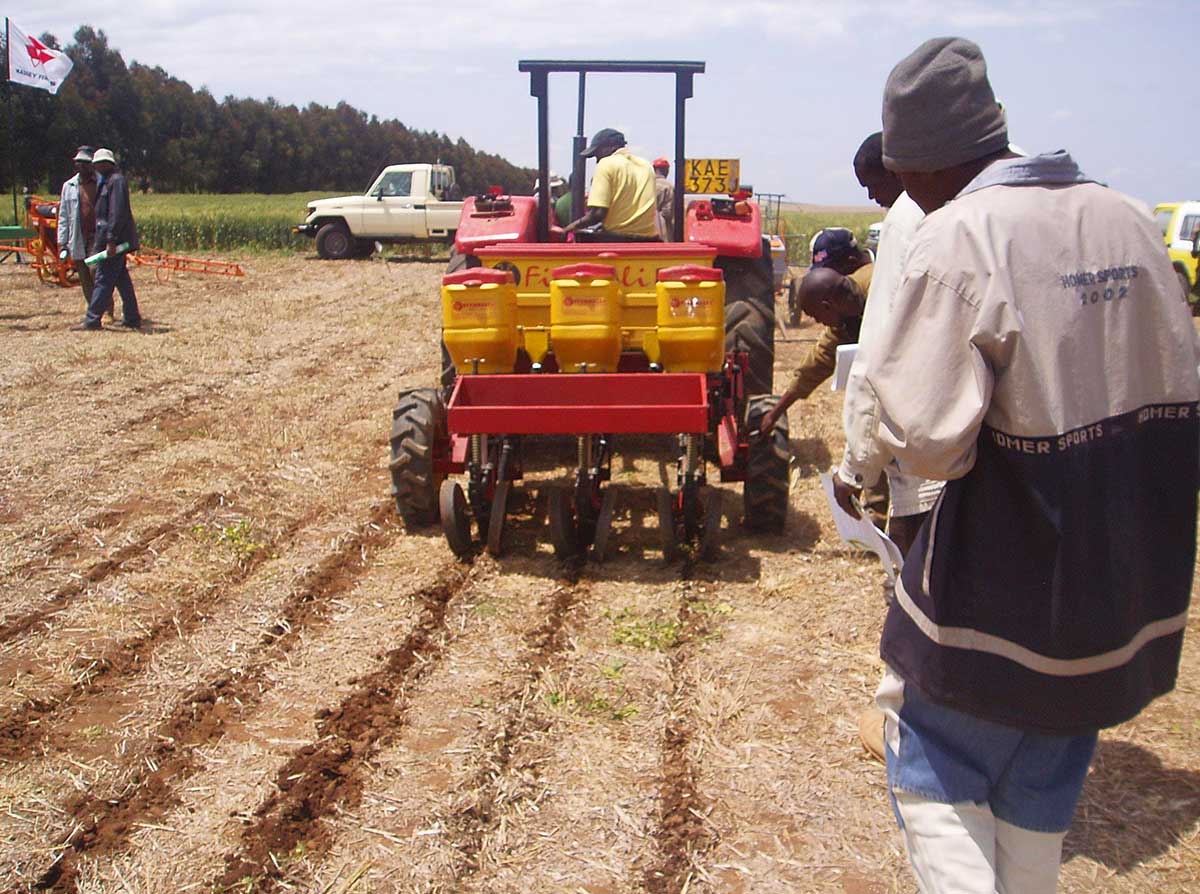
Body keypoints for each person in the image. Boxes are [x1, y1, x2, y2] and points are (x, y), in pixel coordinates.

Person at [843, 38, 1199, 894]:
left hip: (1012, 578)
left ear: (924, 164)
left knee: (930, 760)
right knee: (1038, 793)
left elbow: (925, 435)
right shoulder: (1127, 218)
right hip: (1125, 582)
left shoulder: (961, 236)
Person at [840, 132, 945, 765]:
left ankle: (905, 718)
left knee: (917, 578)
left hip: (931, 447)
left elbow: (878, 355)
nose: (875, 198)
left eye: (873, 184)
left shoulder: (910, 216)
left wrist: (855, 466)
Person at [75, 148, 142, 331]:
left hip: (114, 240)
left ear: (107, 164)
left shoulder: (116, 181)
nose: (94, 167)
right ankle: (132, 318)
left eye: (97, 163)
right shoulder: (106, 182)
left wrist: (111, 240)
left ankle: (92, 319)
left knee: (103, 279)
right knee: (122, 280)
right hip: (109, 239)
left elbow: (116, 212)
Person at [564, 128, 659, 241]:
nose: (597, 160)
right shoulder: (646, 165)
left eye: (597, 154)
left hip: (616, 239)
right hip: (649, 240)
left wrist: (571, 227)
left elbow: (598, 214)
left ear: (609, 147)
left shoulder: (606, 164)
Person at [56, 146, 99, 306]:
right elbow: (64, 216)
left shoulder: (100, 183)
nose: (81, 166)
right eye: (79, 162)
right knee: (84, 276)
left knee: (95, 270)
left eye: (85, 163)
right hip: (77, 235)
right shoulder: (69, 186)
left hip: (97, 235)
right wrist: (62, 242)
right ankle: (94, 310)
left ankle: (107, 308)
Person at [652, 156, 674, 237]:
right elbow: (667, 212)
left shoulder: (645, 184)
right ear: (666, 170)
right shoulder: (668, 186)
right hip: (662, 226)